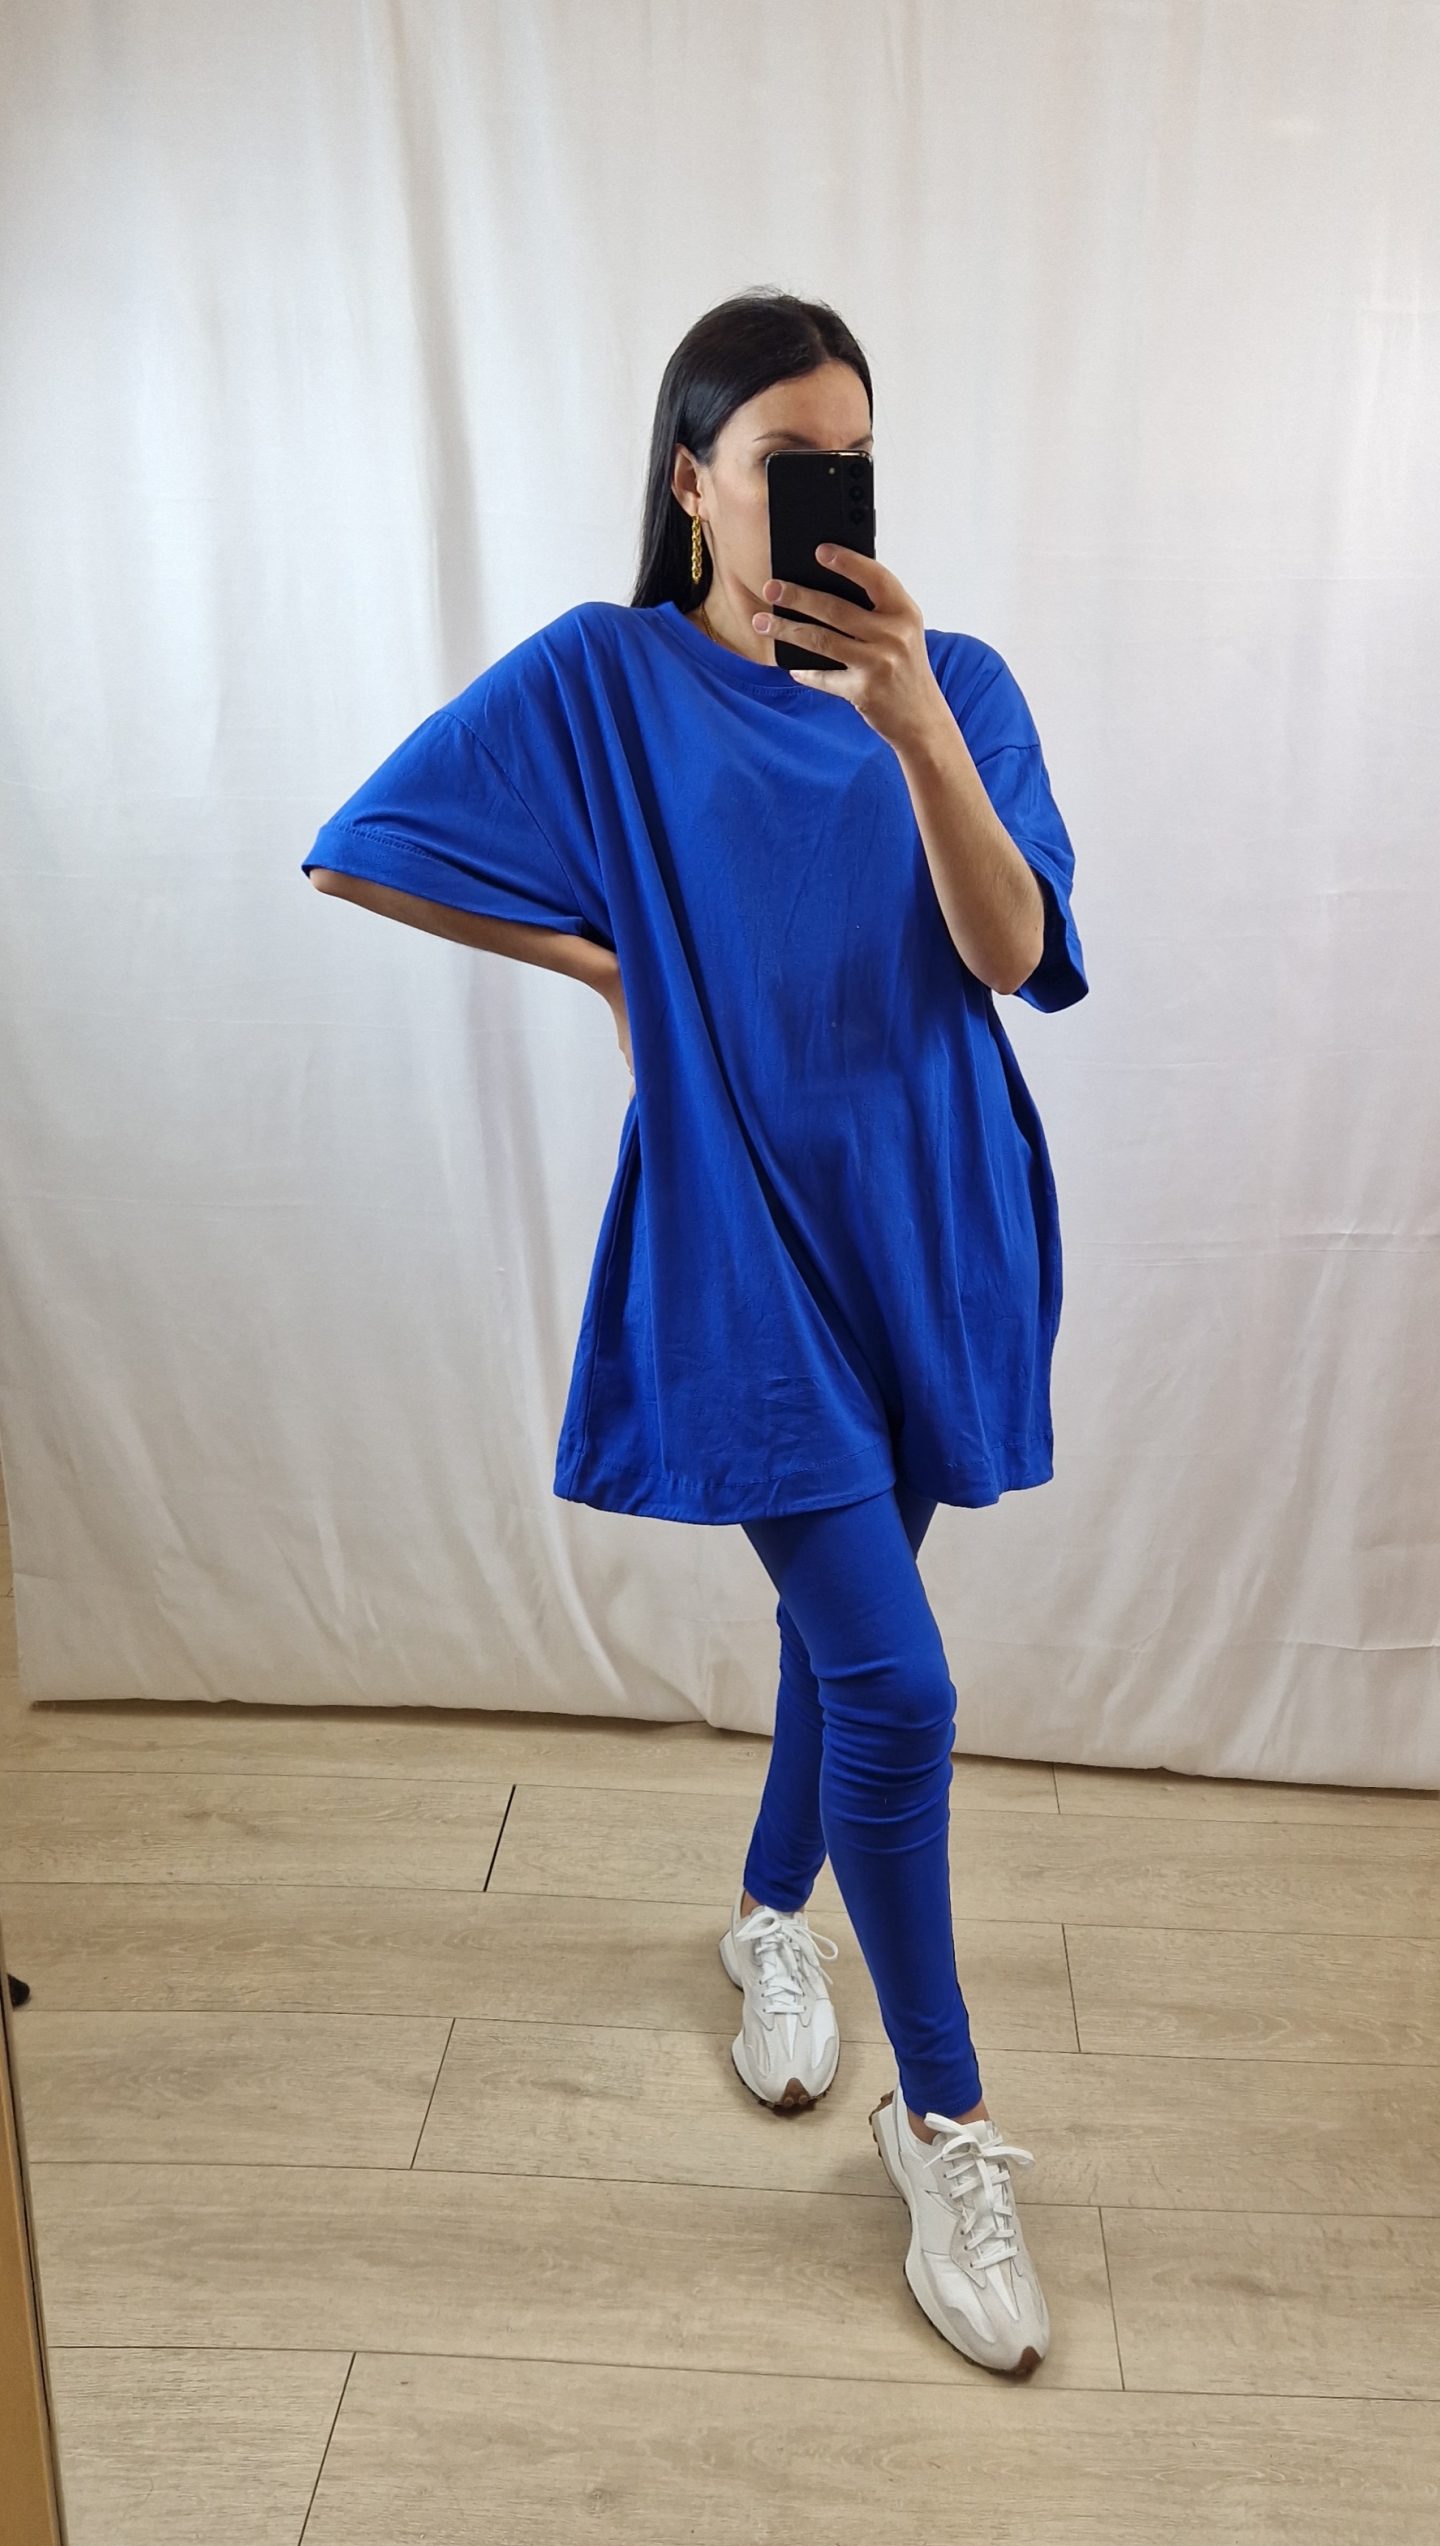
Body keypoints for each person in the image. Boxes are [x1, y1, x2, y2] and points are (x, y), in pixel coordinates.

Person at [303, 289, 1088, 2378]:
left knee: (849, 1639)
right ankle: (946, 2124)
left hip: (930, 1220)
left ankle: (767, 1916)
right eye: (784, 462)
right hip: (741, 1237)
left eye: (854, 461)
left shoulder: (958, 684)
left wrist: (916, 726)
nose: (825, 495)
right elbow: (364, 843)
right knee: (900, 1683)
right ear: (693, 480)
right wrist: (604, 965)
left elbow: (1010, 946)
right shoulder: (609, 677)